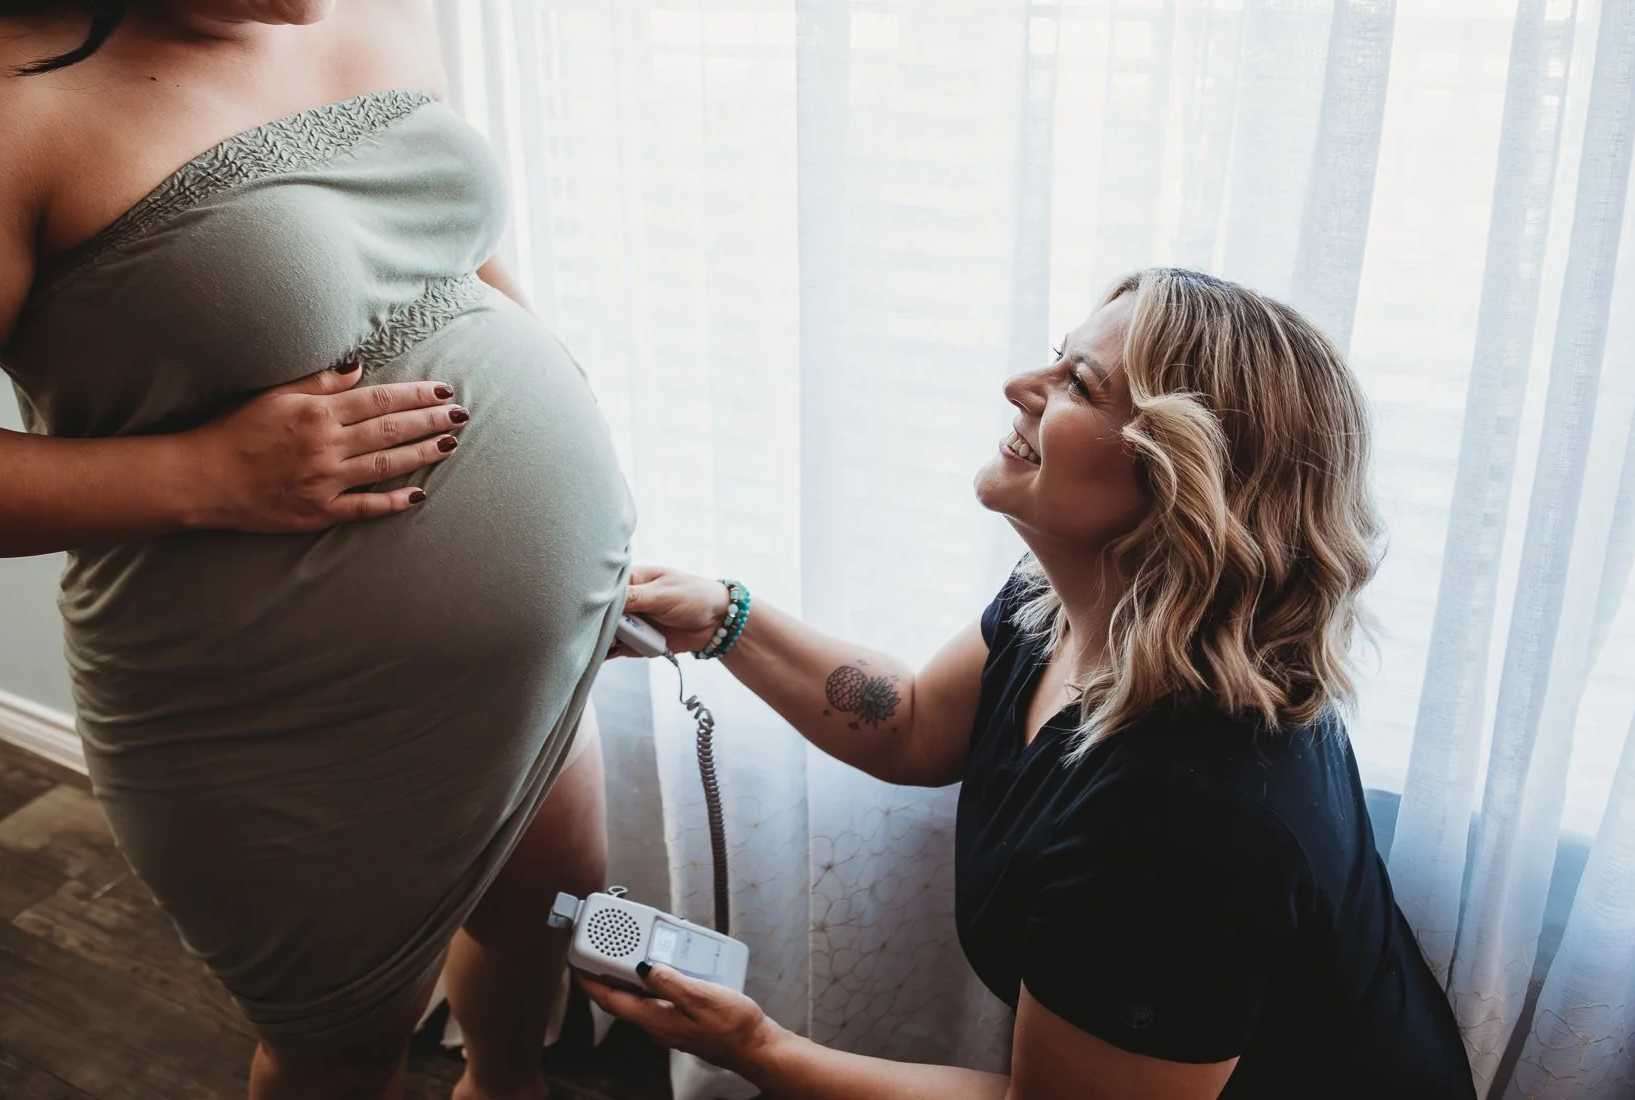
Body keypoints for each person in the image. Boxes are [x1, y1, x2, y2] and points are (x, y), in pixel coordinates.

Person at [0, 0, 633, 1098]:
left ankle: (506, 1083)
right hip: (272, 709)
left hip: (532, 655)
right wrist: (202, 472)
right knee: (338, 1048)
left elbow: (436, 233)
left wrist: (547, 369)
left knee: (551, 910)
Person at [595, 268, 1477, 1099]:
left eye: (1078, 383)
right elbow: (908, 724)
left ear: (1179, 480)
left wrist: (758, 1049)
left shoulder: (1184, 823)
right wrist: (724, 618)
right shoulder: (1069, 604)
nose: (1022, 383)